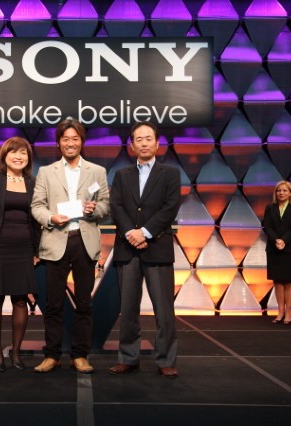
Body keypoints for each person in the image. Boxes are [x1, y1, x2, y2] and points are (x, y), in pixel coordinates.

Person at [31, 117, 110, 374]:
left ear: (81, 142)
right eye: (65, 139)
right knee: (53, 303)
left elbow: (106, 206)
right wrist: (51, 218)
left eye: (75, 138)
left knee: (84, 303)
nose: (70, 143)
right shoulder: (46, 172)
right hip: (56, 239)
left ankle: (80, 355)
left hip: (84, 241)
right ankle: (52, 355)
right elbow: (37, 206)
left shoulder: (97, 171)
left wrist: (94, 209)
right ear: (59, 143)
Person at [108, 121, 182, 379]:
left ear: (157, 143)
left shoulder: (170, 174)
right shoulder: (121, 175)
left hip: (157, 248)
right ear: (132, 145)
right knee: (128, 308)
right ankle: (128, 358)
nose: (143, 143)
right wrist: (131, 233)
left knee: (164, 309)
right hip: (128, 248)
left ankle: (165, 359)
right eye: (138, 139)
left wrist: (146, 233)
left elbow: (170, 207)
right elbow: (116, 206)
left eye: (148, 138)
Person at [0, 137, 40, 372]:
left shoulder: (32, 181)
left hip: (24, 248)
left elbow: (37, 219)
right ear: (5, 155)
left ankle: (16, 353)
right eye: (14, 152)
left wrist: (37, 250)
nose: (18, 156)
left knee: (21, 300)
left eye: (23, 152)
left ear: (28, 158)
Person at [262, 180, 291, 325]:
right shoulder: (270, 208)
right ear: (275, 193)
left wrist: (284, 240)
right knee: (278, 281)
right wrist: (276, 240)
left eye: (285, 190)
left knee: (288, 281)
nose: (281, 193)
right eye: (279, 190)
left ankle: (288, 313)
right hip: (274, 248)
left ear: (290, 193)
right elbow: (267, 226)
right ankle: (280, 312)